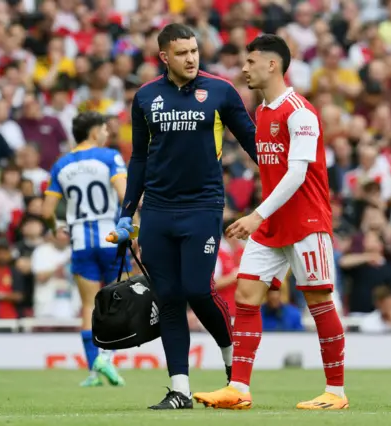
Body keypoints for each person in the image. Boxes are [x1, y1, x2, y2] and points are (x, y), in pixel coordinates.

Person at [193, 34, 348, 410]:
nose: (244, 68)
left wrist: (255, 214)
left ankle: (336, 392)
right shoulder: (262, 112)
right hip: (272, 224)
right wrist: (262, 218)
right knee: (246, 297)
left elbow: (297, 174)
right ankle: (239, 389)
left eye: (250, 62)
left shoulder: (300, 112)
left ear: (272, 65)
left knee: (318, 301)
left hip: (307, 221)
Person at [108, 23, 258, 410]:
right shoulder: (145, 97)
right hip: (157, 209)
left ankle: (232, 368)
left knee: (197, 288)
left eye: (194, 50)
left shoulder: (221, 91)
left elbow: (253, 142)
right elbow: (139, 157)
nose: (191, 58)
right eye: (182, 53)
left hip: (203, 206)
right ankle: (180, 390)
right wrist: (127, 213)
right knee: (169, 297)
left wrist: (285, 183)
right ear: (164, 57)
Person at [42, 112, 128, 387]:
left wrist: (56, 226)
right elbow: (125, 196)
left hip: (80, 239)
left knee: (89, 305)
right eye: (104, 129)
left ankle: (93, 371)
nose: (107, 133)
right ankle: (106, 357)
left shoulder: (61, 165)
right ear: (94, 132)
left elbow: (47, 210)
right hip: (110, 237)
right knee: (119, 301)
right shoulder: (109, 156)